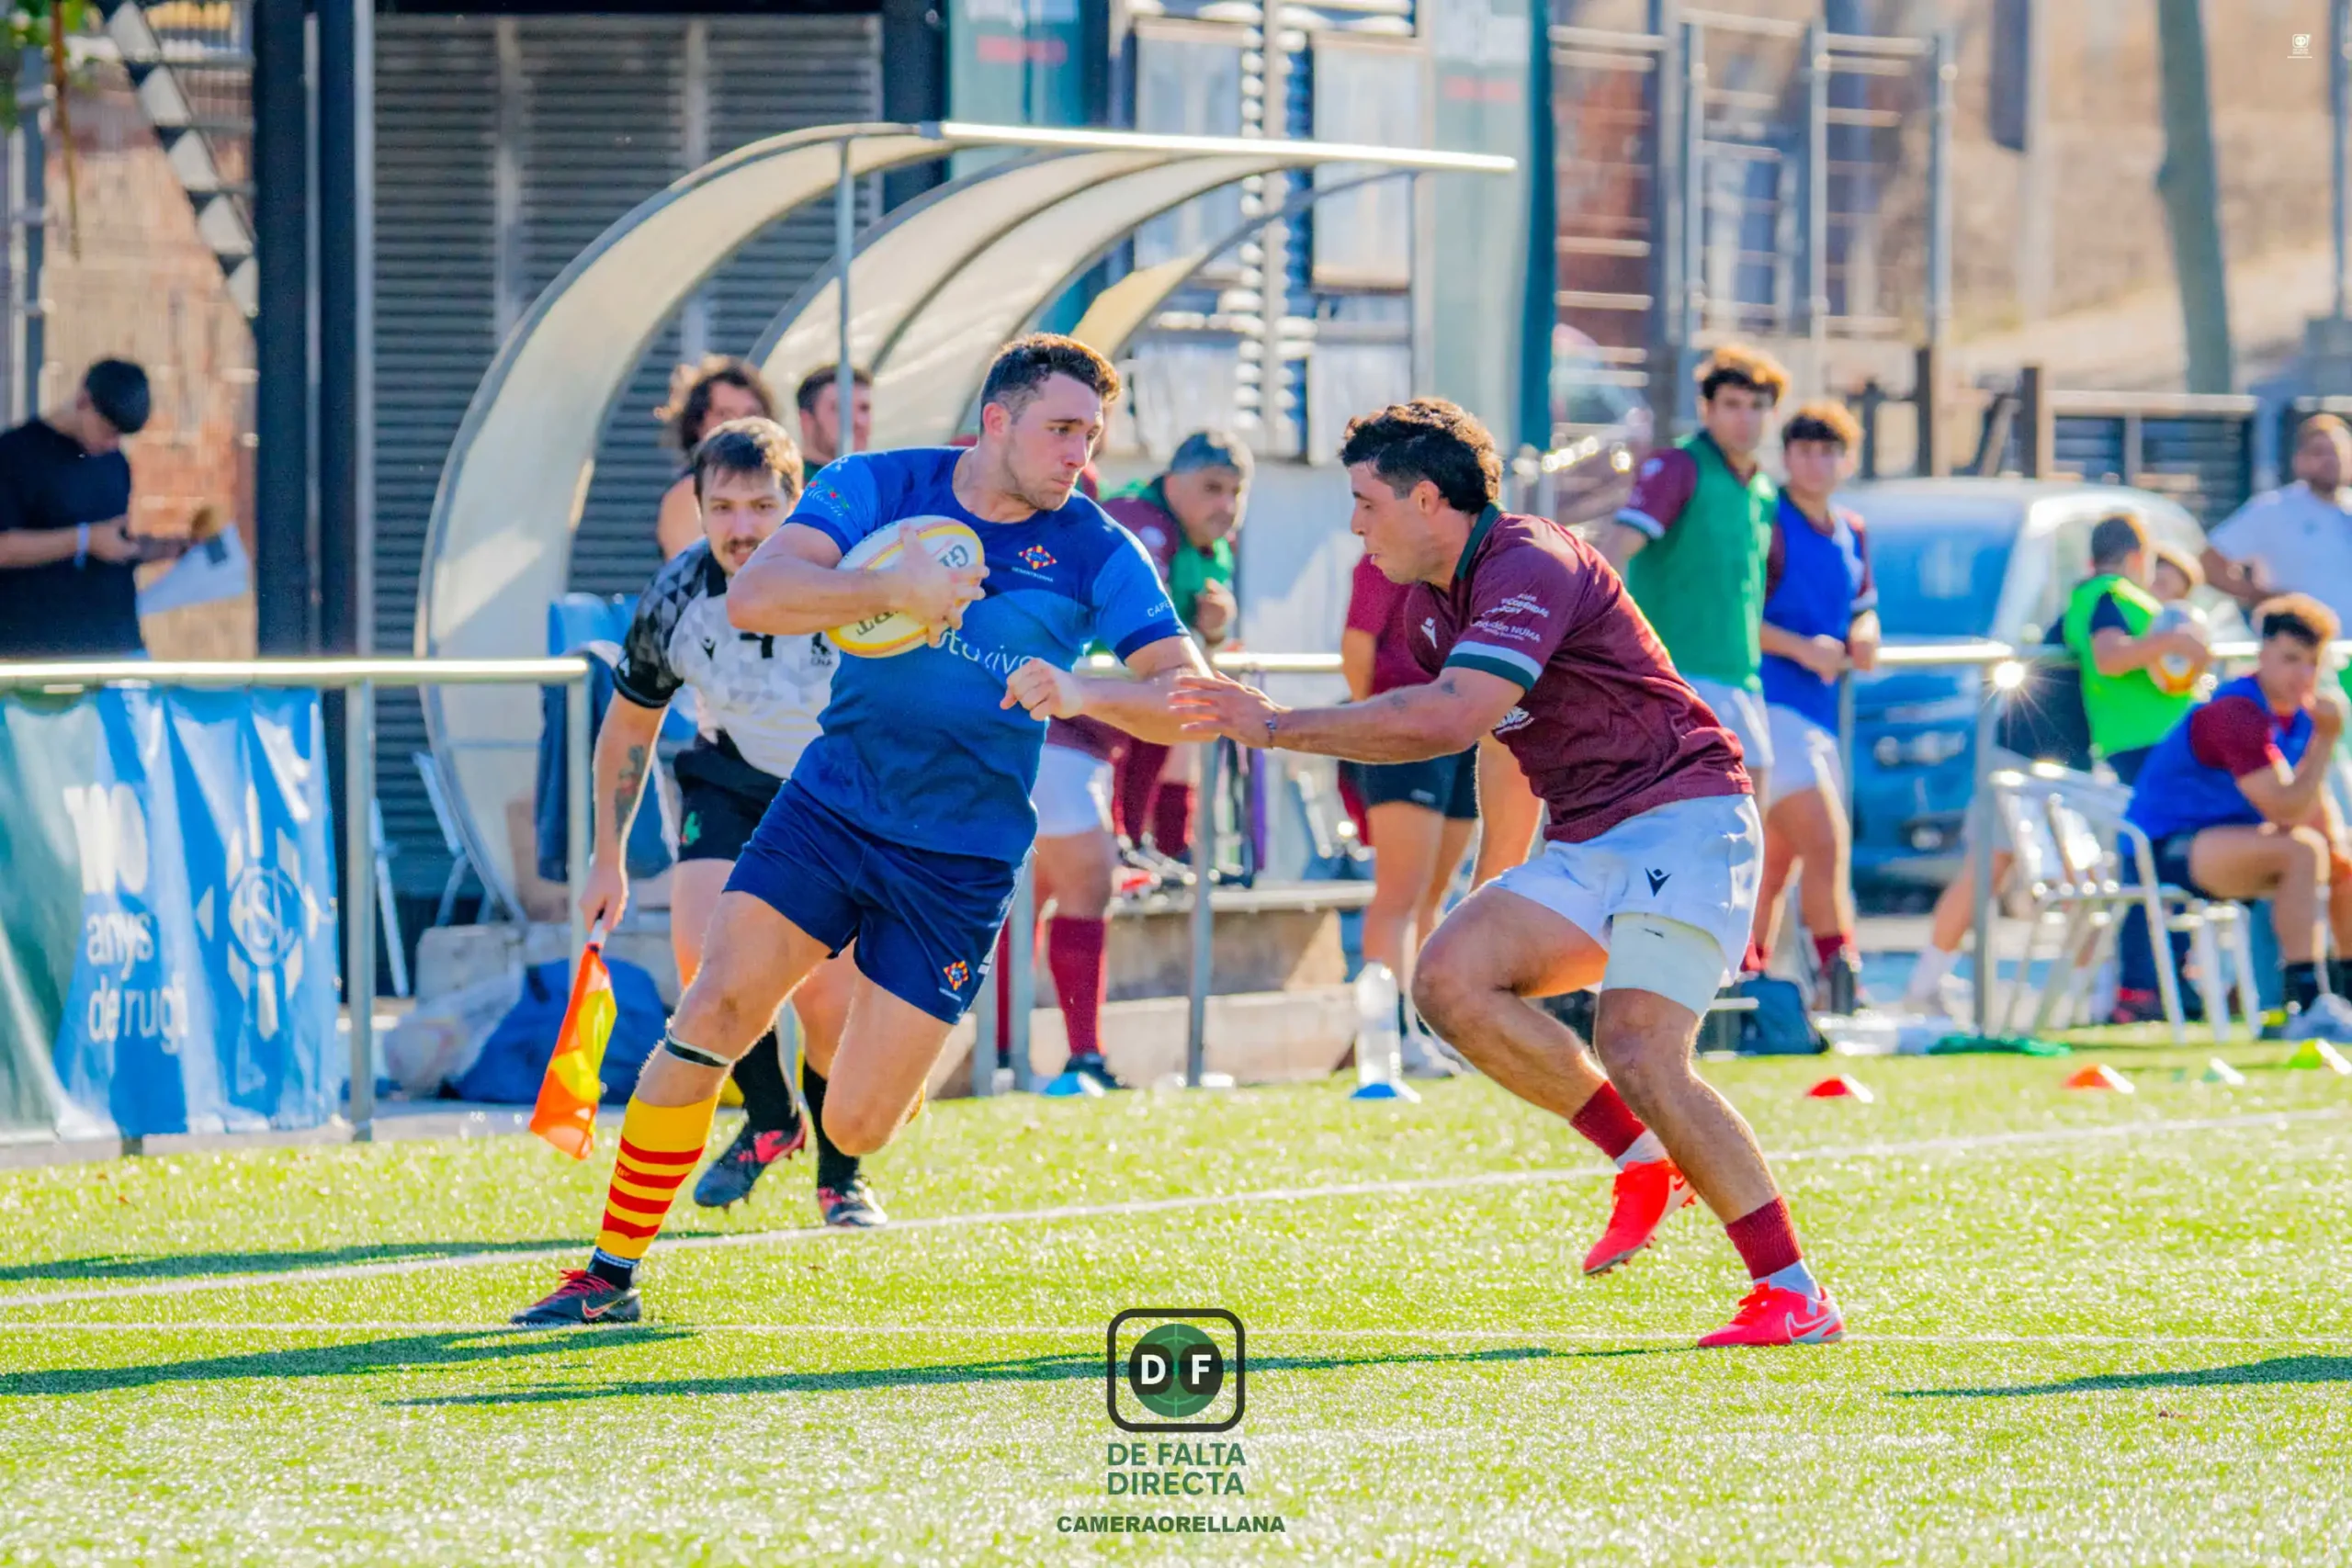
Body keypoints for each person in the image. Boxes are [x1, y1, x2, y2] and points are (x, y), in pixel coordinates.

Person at [513, 334, 1203, 1325]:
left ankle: (845, 1131)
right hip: (828, 806)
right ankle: (608, 1275)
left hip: (959, 860)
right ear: (995, 421)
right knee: (712, 1006)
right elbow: (756, 593)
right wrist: (893, 590)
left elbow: (1184, 694)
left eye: (1089, 436)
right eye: (1058, 430)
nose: (1076, 456)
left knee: (860, 1117)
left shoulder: (1097, 544)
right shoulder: (878, 484)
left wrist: (1084, 686)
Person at [1175, 399, 1842, 1348]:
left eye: (1366, 502)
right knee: (1448, 978)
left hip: (1684, 817)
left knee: (1641, 1047)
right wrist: (1502, 877)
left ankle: (1794, 1292)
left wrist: (1272, 724)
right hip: (1590, 837)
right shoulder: (1429, 607)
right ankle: (1641, 1156)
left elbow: (1449, 716)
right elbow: (1498, 734)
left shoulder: (1533, 557)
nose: (1354, 523)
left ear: (1431, 500)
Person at [583, 418, 885, 1227]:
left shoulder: (848, 577)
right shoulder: (677, 596)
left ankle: (839, 1170)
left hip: (837, 790)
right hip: (733, 780)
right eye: (723, 507)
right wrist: (606, 856)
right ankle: (772, 1116)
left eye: (761, 506)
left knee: (827, 1004)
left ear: (798, 504)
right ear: (698, 507)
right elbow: (628, 728)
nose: (742, 527)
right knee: (705, 954)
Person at [2120, 594, 2352, 1026]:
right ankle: (2307, 1004)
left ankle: (2344, 999)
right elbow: (2285, 809)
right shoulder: (2236, 710)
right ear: (2262, 653)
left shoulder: (2300, 716)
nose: (2302, 674)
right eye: (2290, 659)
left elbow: (2314, 810)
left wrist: (2340, 860)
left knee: (2340, 860)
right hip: (2164, 849)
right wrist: (2326, 742)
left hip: (2235, 846)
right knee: (2301, 851)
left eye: (2312, 663)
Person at [1597, 344, 1787, 821]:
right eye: (1732, 404)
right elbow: (1618, 545)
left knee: (1744, 827)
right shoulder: (1679, 466)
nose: (1745, 418)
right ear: (1707, 408)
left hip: (1741, 677)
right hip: (1677, 675)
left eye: (1757, 406)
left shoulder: (1762, 490)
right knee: (1700, 821)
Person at [1751, 401, 1879, 1011]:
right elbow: (1736, 617)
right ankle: (1840, 974)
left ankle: (1749, 986)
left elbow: (1862, 605)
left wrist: (1867, 633)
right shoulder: (1766, 517)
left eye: (1828, 450)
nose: (1816, 461)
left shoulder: (1852, 527)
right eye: (1804, 449)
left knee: (1776, 863)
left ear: (1845, 459)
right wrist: (1803, 647)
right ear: (1787, 456)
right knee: (1826, 841)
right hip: (1768, 705)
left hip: (1818, 711)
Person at [1340, 545, 1475, 1077]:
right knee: (1399, 895)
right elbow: (1356, 646)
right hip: (1403, 727)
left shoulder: (1482, 560)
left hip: (1463, 731)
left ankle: (1423, 1031)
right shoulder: (1384, 558)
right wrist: (1372, 728)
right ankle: (1390, 1040)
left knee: (1434, 899)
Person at [1101, 430, 1250, 869]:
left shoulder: (1210, 543)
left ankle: (1157, 843)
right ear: (1171, 484)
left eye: (1235, 492)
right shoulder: (1140, 521)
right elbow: (1145, 632)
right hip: (1085, 692)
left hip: (1127, 687)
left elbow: (1185, 639)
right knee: (1171, 701)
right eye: (1211, 488)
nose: (1225, 505)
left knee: (1185, 705)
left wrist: (1217, 630)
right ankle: (1130, 841)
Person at [0, 359, 187, 656]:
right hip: (41, 647)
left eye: (120, 436)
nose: (112, 443)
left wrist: (165, 548)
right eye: (107, 430)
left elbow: (113, 543)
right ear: (83, 400)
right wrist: (85, 539)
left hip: (118, 641)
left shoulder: (114, 463)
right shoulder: (15, 454)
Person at [2200, 415, 2352, 637]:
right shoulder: (2274, 509)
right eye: (2319, 452)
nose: (2331, 460)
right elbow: (2210, 561)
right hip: (2298, 652)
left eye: (2338, 452)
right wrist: (2261, 597)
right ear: (2299, 459)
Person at [654, 358, 778, 561]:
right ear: (698, 424)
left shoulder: (780, 485)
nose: (740, 425)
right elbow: (694, 578)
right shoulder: (687, 494)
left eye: (751, 414)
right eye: (724, 415)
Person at [794, 364, 874, 476]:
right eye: (841, 409)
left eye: (864, 408)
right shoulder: (786, 487)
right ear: (806, 420)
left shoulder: (877, 486)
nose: (858, 421)